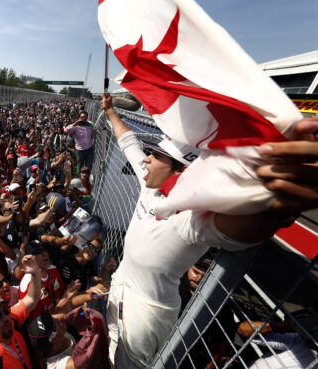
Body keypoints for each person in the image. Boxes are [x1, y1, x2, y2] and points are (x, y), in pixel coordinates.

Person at [101, 93, 308, 368]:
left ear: (181, 169)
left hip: (146, 309)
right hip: (120, 285)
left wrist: (276, 207)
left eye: (156, 155)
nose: (147, 160)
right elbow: (128, 143)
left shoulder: (188, 218)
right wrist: (110, 112)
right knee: (110, 348)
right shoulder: (150, 181)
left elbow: (237, 230)